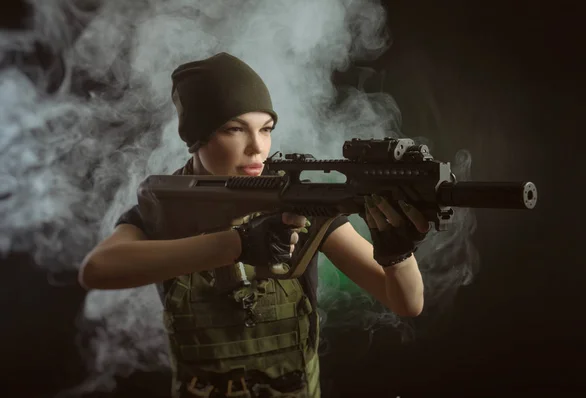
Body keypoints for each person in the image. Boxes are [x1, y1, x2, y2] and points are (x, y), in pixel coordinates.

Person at [79, 53, 430, 398]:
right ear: (197, 137)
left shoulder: (299, 200)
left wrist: (398, 253)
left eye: (266, 129)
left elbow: (406, 303)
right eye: (234, 129)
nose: (257, 148)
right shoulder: (167, 204)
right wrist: (239, 244)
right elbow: (97, 270)